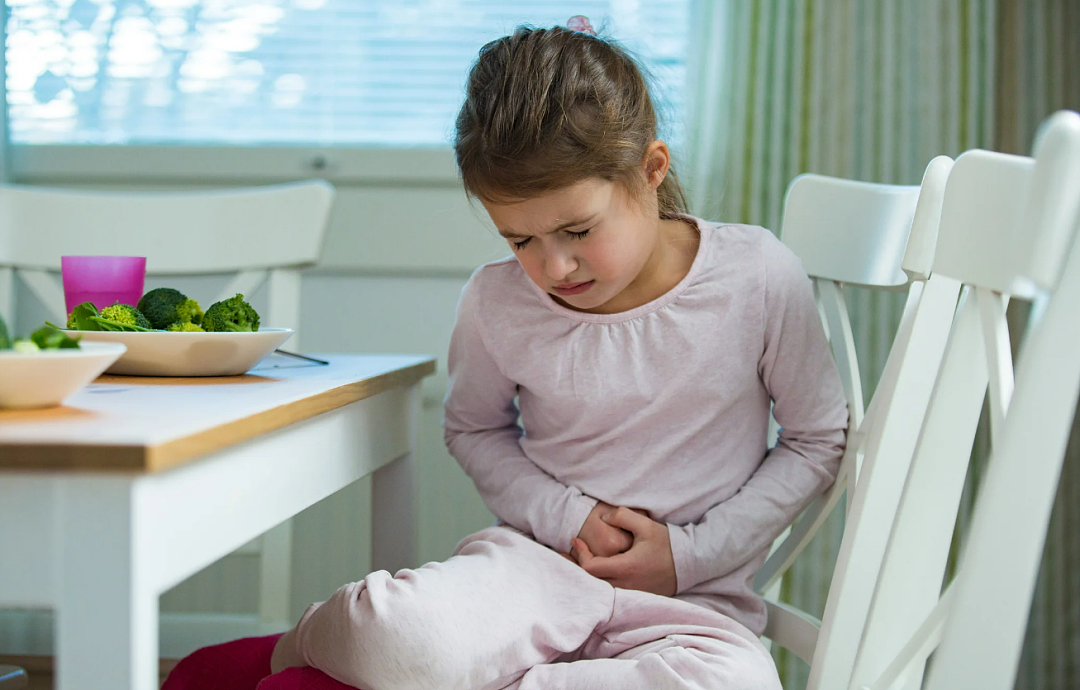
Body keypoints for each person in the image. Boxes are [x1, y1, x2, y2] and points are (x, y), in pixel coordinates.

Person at [163, 17, 847, 690]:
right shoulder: (496, 302)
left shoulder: (755, 274)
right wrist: (567, 516)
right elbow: (474, 429)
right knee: (397, 636)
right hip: (529, 575)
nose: (554, 267)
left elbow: (818, 437)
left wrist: (691, 554)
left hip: (692, 606)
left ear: (650, 171)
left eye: (577, 230)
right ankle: (300, 645)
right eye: (519, 240)